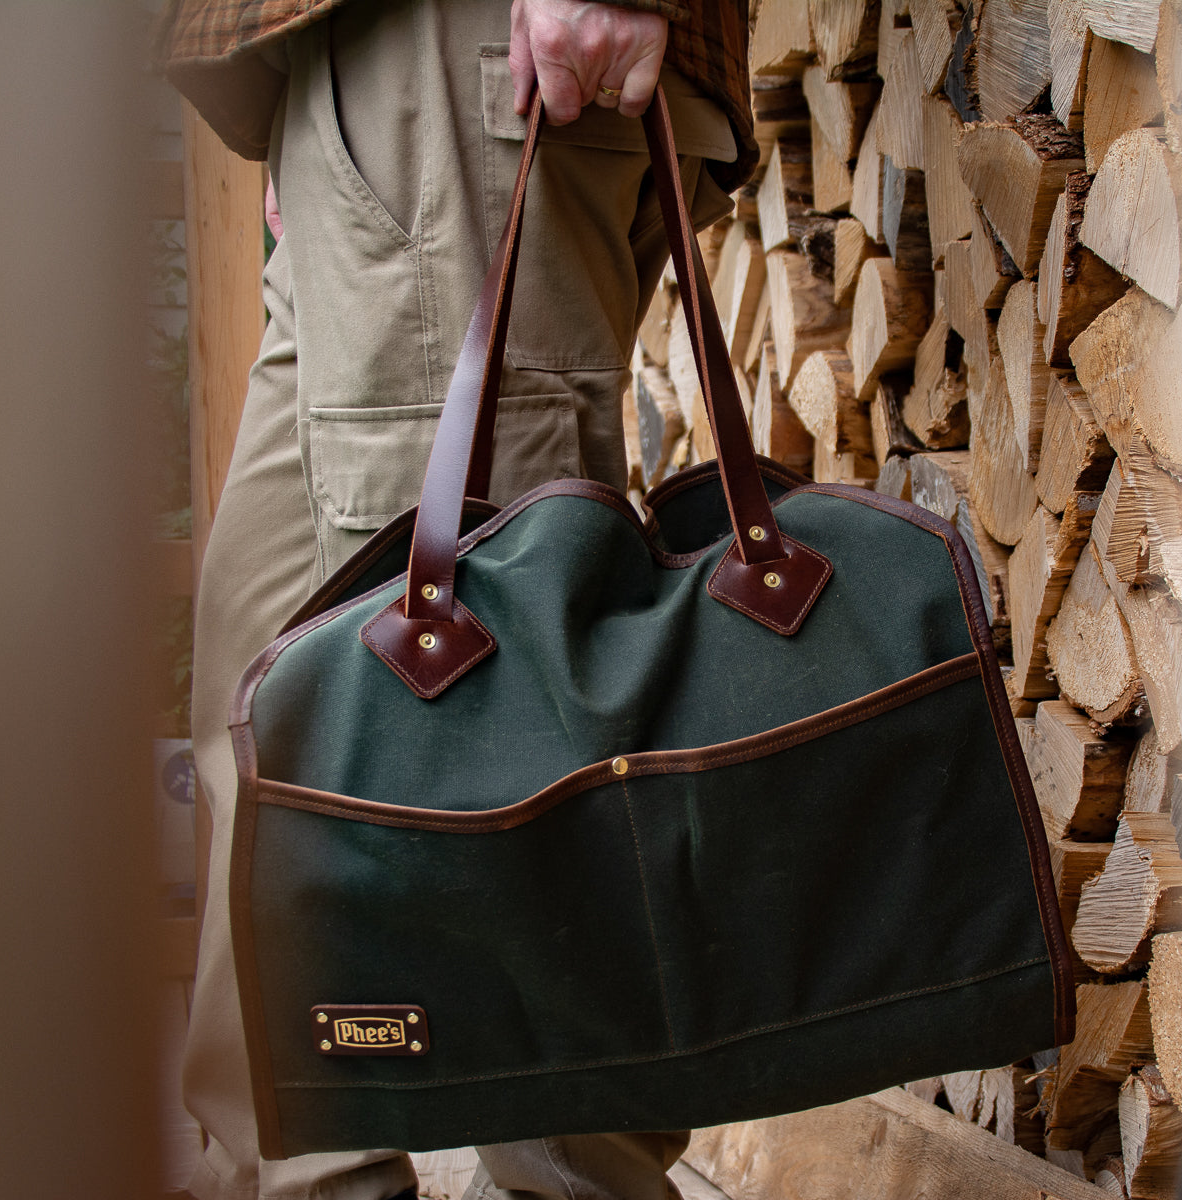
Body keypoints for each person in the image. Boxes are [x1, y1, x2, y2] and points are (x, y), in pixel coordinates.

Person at [156, 2, 755, 1197]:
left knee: (501, 726)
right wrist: (307, 107)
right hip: (357, 73)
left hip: (455, 52)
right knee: (265, 698)